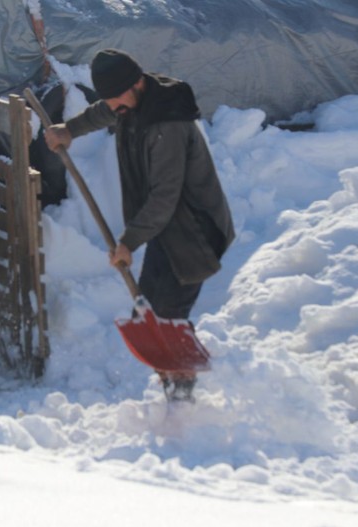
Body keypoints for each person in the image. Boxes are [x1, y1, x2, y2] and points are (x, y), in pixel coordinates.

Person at [44, 48, 235, 400]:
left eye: (118, 98)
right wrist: (69, 129)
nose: (114, 106)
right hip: (167, 226)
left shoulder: (167, 124)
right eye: (110, 99)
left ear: (137, 83)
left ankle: (183, 398)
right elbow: (104, 111)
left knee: (167, 315)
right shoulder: (130, 101)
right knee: (147, 308)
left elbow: (165, 195)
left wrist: (129, 241)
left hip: (195, 230)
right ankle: (172, 387)